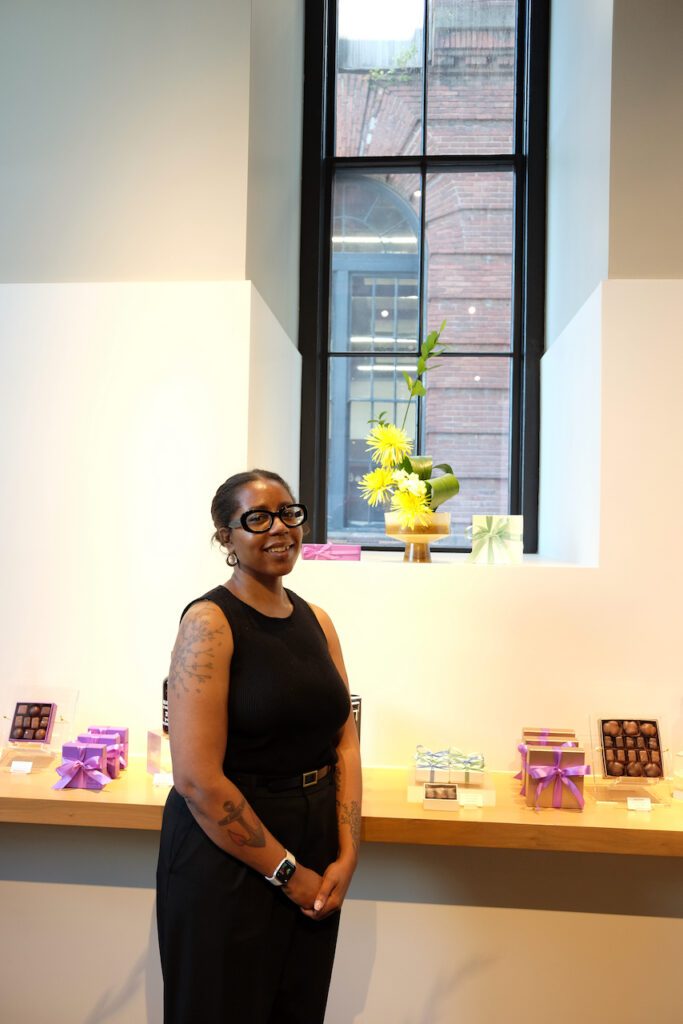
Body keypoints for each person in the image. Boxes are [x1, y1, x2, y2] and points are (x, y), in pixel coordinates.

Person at [156, 469, 362, 1024]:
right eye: (258, 518)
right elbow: (197, 779)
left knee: (297, 1008)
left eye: (289, 513)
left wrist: (347, 852)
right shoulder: (209, 622)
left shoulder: (318, 621)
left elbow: (344, 741)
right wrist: (288, 874)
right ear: (226, 536)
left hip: (315, 842)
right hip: (228, 858)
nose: (279, 528)